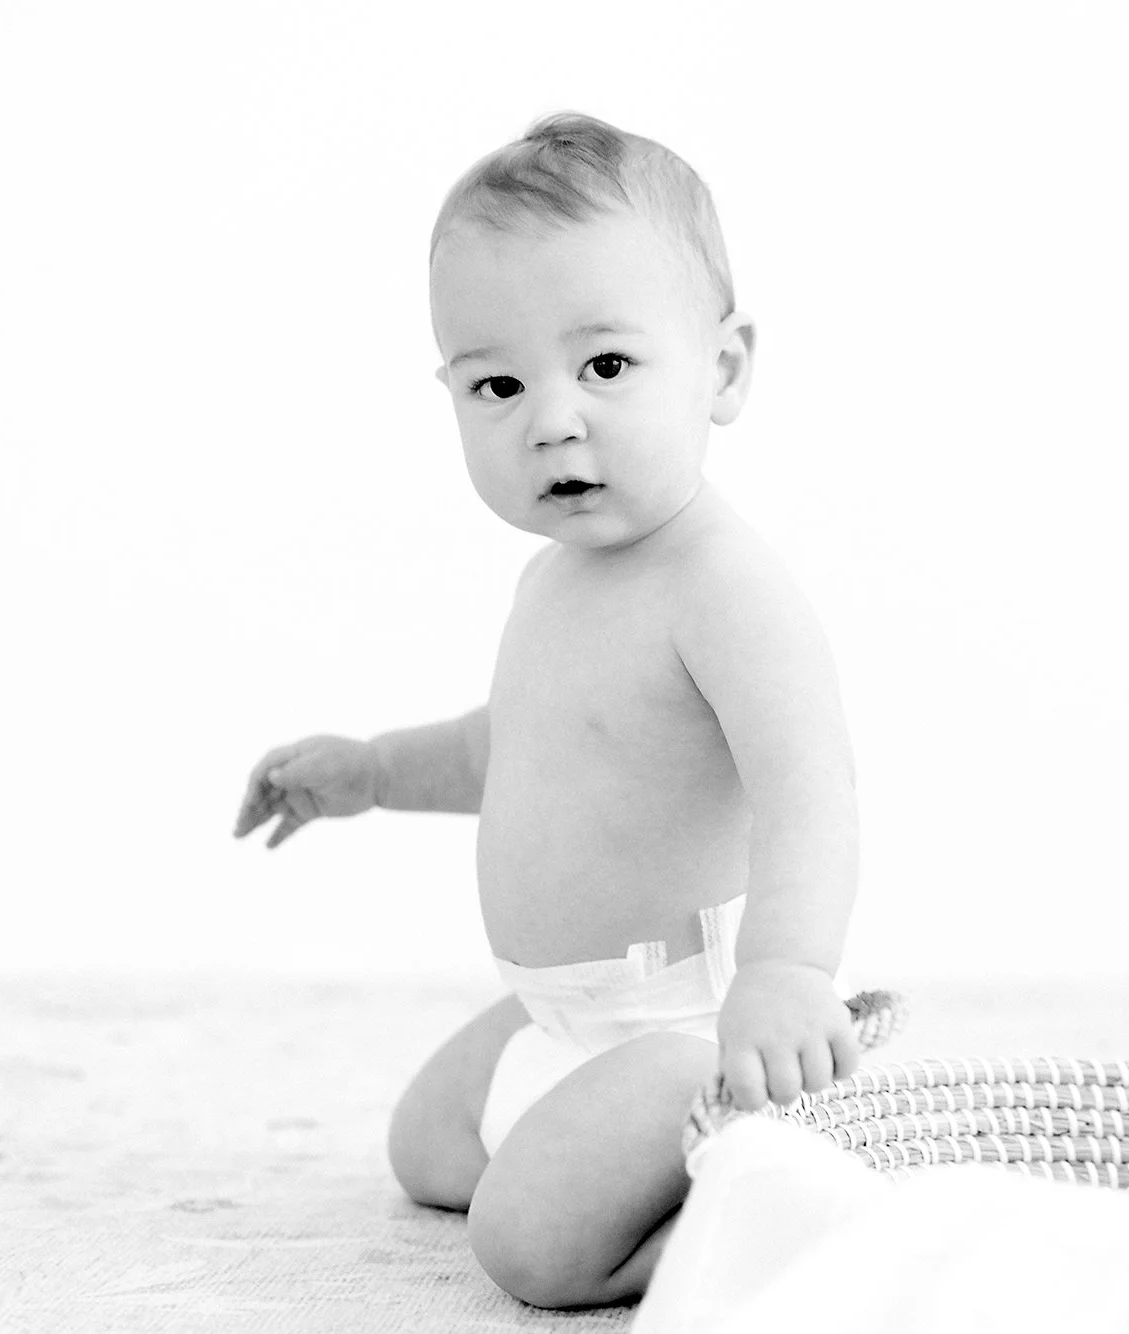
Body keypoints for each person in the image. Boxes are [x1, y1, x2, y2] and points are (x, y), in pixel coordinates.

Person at [232, 112, 861, 1309]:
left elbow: (809, 788)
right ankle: (650, 1165)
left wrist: (787, 969)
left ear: (722, 369)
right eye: (498, 383)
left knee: (524, 1244)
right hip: (566, 1013)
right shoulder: (554, 579)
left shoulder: (722, 585)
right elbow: (505, 748)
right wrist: (371, 770)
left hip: (688, 1026)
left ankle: (761, 1210)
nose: (551, 418)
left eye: (605, 367)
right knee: (427, 1148)